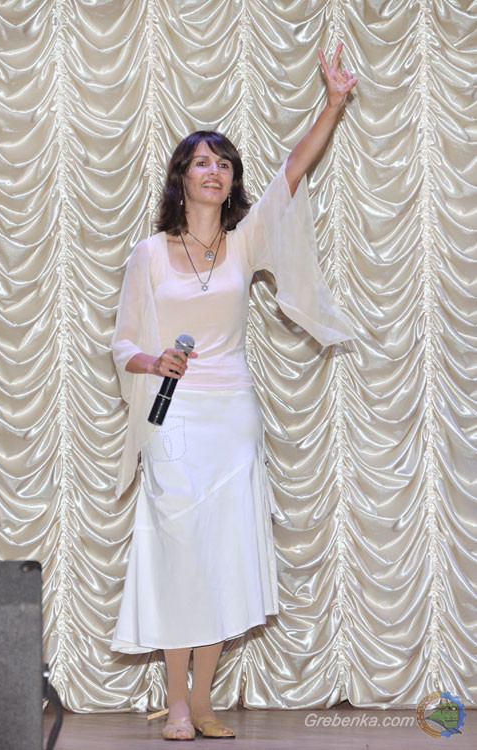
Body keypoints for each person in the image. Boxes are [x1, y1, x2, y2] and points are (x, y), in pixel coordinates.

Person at [110, 44, 358, 741]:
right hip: (174, 419)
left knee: (222, 553)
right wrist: (154, 358)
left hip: (233, 418)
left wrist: (333, 103)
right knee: (178, 552)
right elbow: (122, 344)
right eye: (201, 162)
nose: (214, 171)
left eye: (223, 163)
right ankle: (175, 702)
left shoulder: (243, 243)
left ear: (230, 181)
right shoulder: (148, 254)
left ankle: (203, 701)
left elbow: (293, 170)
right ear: (181, 179)